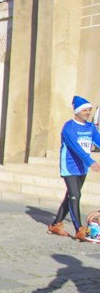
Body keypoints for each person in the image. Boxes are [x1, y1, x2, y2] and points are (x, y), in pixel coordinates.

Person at [48, 96, 100, 241]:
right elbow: (75, 148)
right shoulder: (69, 127)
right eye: (85, 110)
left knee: (70, 196)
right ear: (76, 111)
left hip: (82, 168)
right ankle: (79, 229)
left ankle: (55, 225)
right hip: (70, 167)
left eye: (89, 110)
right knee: (75, 195)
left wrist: (87, 162)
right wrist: (90, 161)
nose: (88, 112)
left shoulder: (90, 127)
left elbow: (98, 140)